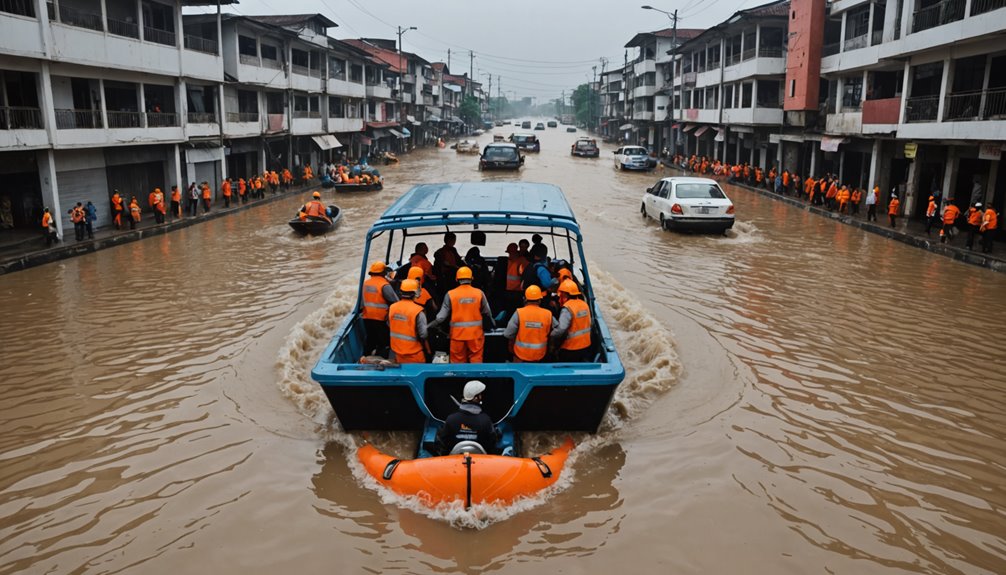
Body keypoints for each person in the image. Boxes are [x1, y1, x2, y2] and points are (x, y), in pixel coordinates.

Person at [428, 266, 494, 364]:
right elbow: (487, 312)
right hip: (475, 335)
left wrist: (429, 326)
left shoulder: (451, 294)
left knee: (457, 363)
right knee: (476, 360)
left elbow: (441, 317)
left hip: (457, 336)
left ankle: (458, 379)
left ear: (456, 279)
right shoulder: (479, 293)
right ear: (472, 278)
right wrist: (493, 323)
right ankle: (474, 378)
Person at [434, 380, 498, 455]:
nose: (481, 397)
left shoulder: (451, 419)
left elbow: (442, 443)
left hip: (453, 461)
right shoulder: (485, 420)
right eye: (480, 395)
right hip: (481, 461)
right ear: (476, 398)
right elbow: (492, 443)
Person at [504, 285, 557, 363]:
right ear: (539, 300)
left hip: (520, 356)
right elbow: (559, 330)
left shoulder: (519, 313)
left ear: (525, 299)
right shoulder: (548, 314)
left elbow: (508, 334)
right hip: (541, 356)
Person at [361, 261, 399, 357]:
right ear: (383, 273)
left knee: (370, 340)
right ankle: (382, 359)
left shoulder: (365, 284)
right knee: (384, 342)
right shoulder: (384, 285)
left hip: (367, 318)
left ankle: (365, 357)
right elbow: (396, 302)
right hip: (381, 319)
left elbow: (362, 303)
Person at [387, 279, 430, 364]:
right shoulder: (418, 311)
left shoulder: (392, 307)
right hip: (414, 354)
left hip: (397, 352)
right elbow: (423, 334)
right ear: (415, 293)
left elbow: (389, 324)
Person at [553, 279, 593, 362]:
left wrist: (550, 335)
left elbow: (561, 329)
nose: (560, 296)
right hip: (586, 345)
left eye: (561, 294)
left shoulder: (567, 308)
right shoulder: (584, 304)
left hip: (571, 348)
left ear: (566, 294)